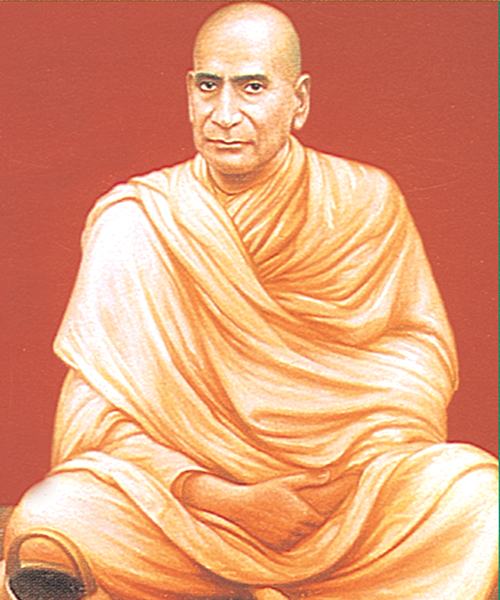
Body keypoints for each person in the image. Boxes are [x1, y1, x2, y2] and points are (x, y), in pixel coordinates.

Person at [1, 3, 497, 599]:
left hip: (338, 506)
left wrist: (335, 483)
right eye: (209, 87)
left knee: (476, 494)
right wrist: (226, 498)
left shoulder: (363, 201)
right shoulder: (136, 223)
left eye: (253, 88)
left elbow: (417, 358)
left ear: (299, 101)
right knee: (53, 516)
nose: (225, 115)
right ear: (189, 94)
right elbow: (98, 414)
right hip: (189, 512)